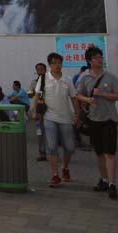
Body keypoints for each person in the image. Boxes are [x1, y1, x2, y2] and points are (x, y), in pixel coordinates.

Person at [75, 46, 118, 200]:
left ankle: (112, 184)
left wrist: (102, 94)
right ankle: (103, 180)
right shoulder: (84, 77)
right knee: (99, 152)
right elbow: (77, 94)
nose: (100, 59)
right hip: (93, 119)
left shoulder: (111, 77)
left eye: (101, 57)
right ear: (90, 61)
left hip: (109, 119)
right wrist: (87, 100)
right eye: (96, 58)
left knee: (109, 153)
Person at [41, 52, 78, 188]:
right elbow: (38, 97)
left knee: (69, 147)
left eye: (59, 62)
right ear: (50, 65)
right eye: (54, 63)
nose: (57, 65)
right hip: (49, 117)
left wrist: (77, 114)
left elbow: (74, 97)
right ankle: (55, 175)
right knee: (51, 148)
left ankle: (65, 168)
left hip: (66, 118)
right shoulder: (43, 79)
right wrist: (35, 111)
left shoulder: (67, 80)